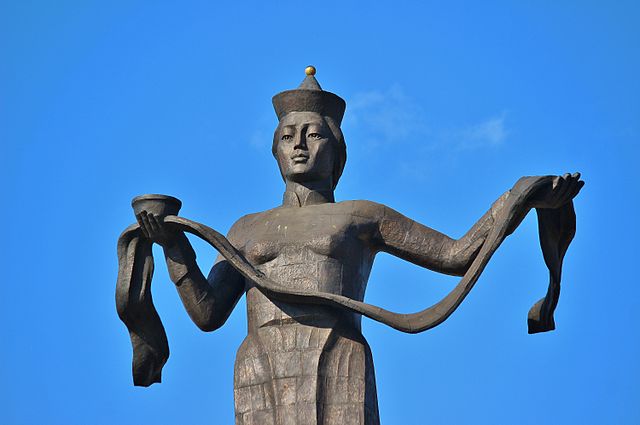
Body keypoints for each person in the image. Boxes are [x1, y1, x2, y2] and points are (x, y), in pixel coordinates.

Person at [135, 67, 583, 425]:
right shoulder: (246, 228)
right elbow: (208, 314)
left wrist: (517, 199)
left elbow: (456, 254)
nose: (299, 145)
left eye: (313, 134)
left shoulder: (362, 215)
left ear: (336, 149)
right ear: (274, 151)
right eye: (288, 136)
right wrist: (174, 247)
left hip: (338, 352)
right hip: (259, 362)